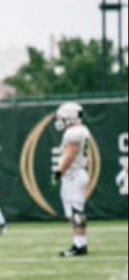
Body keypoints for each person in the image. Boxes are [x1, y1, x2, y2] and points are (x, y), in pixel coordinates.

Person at [52, 101, 92, 257]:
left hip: (74, 174)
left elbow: (70, 154)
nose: (60, 120)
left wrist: (58, 172)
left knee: (77, 211)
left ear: (70, 117)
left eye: (62, 117)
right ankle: (79, 242)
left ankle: (79, 245)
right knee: (73, 212)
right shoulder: (80, 130)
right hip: (74, 174)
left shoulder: (74, 132)